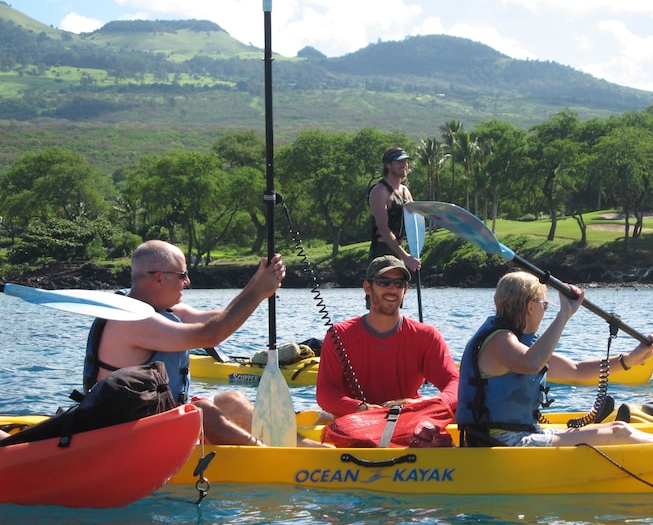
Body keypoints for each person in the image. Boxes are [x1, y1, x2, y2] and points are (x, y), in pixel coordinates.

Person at [85, 239, 327, 447]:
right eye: (182, 275)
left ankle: (304, 447)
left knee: (232, 399)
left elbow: (220, 318)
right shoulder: (132, 320)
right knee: (203, 413)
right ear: (158, 279)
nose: (188, 281)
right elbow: (210, 335)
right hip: (123, 432)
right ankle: (270, 458)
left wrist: (258, 285)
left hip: (156, 418)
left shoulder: (161, 309)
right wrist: (257, 292)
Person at [457, 270, 653, 446]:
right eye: (545, 305)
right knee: (619, 433)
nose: (545, 311)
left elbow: (576, 371)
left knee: (614, 428)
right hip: (502, 441)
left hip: (515, 435)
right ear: (531, 306)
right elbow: (531, 364)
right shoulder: (500, 341)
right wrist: (564, 314)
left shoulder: (519, 343)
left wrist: (629, 360)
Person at [317, 255, 458, 417]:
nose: (392, 289)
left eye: (399, 284)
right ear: (367, 288)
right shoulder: (339, 335)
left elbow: (455, 384)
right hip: (355, 424)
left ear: (405, 290)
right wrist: (361, 408)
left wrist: (423, 404)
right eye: (384, 282)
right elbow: (325, 392)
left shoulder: (426, 335)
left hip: (409, 421)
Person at [368, 147, 420, 271]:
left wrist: (412, 254)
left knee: (399, 289)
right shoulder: (380, 191)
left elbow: (413, 224)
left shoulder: (405, 191)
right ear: (388, 165)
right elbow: (384, 229)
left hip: (400, 251)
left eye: (405, 161)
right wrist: (406, 257)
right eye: (399, 162)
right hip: (382, 253)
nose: (404, 165)